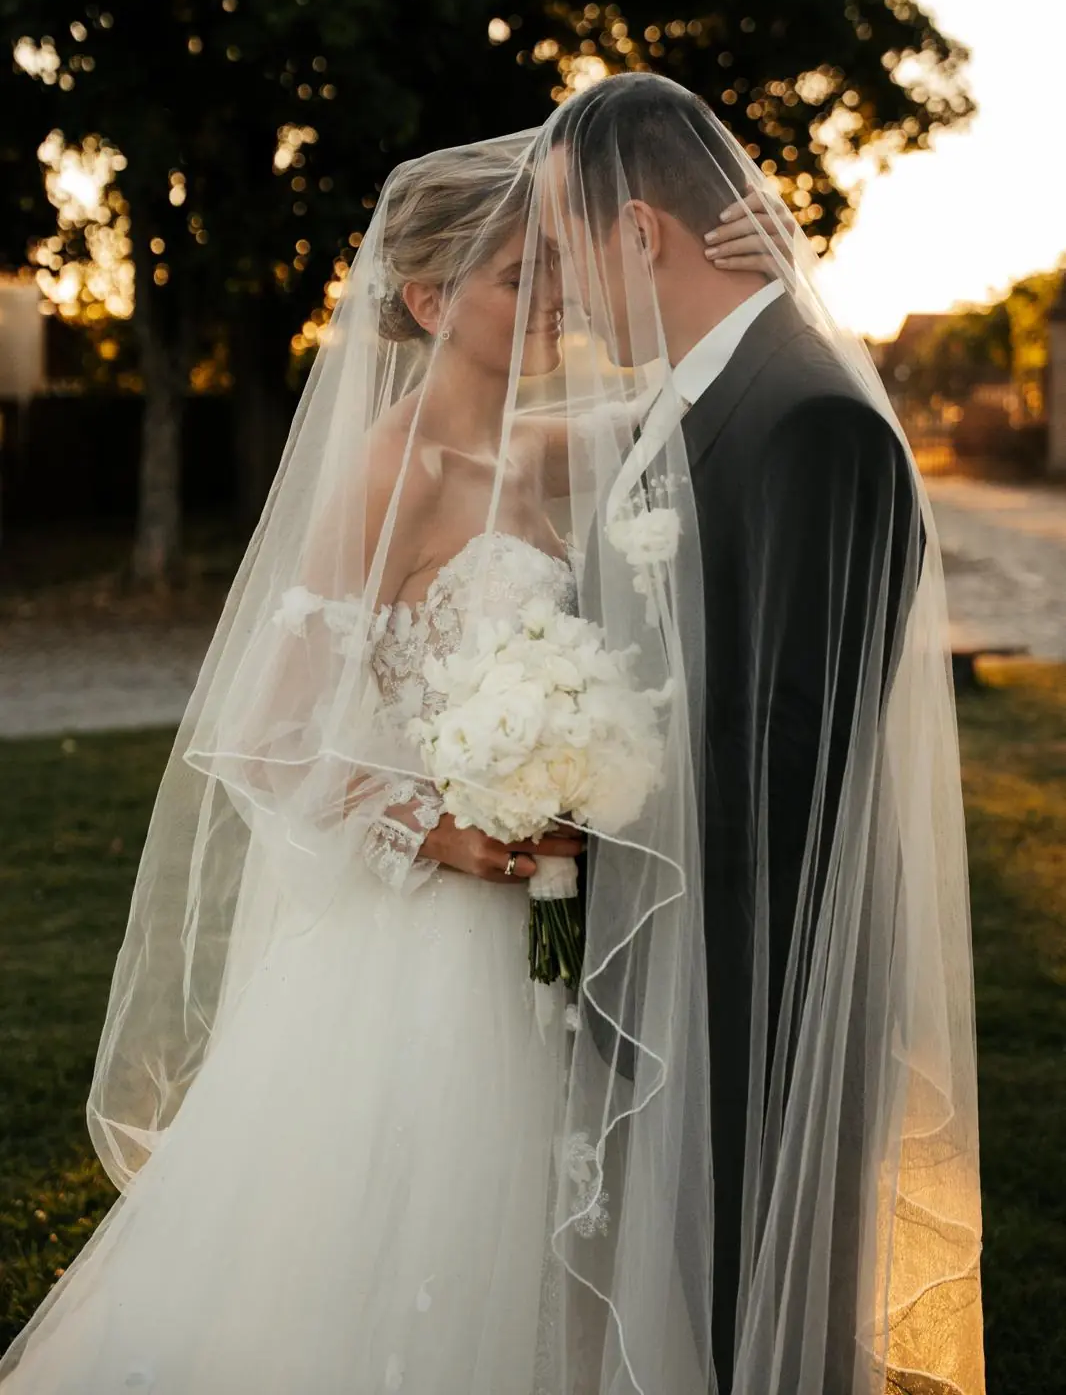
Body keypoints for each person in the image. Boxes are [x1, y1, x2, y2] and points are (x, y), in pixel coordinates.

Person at [0, 127, 778, 1395]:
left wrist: (758, 270)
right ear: (427, 300)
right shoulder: (392, 472)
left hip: (565, 920)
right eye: (523, 274)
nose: (564, 295)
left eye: (559, 265)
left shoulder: (555, 444)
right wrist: (444, 826)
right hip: (428, 947)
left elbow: (705, 378)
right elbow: (264, 732)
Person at [534, 72, 985, 1395]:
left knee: (748, 1331)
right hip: (672, 964)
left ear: (637, 231)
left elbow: (794, 767)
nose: (562, 287)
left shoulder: (810, 420)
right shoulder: (701, 397)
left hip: (754, 993)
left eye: (567, 244)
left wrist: (589, 810)